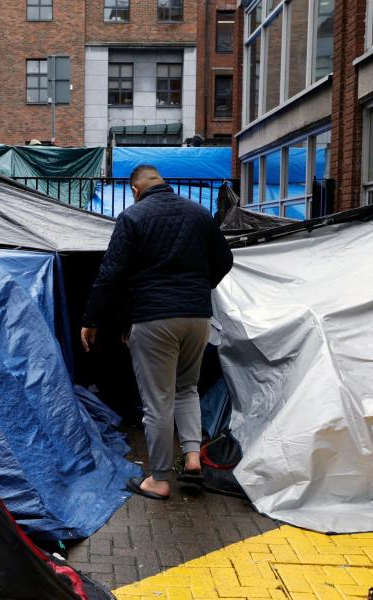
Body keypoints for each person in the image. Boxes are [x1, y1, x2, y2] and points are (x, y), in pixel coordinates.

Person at [80, 165, 233, 500]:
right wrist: (197, 289)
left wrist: (91, 320)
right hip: (197, 317)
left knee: (157, 402)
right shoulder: (199, 214)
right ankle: (193, 458)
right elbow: (225, 259)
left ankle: (160, 479)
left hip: (153, 319)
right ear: (163, 183)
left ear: (136, 190)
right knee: (187, 389)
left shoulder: (133, 217)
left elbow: (111, 274)